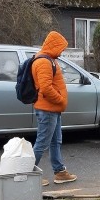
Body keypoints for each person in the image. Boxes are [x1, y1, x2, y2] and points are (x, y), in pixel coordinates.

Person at [32, 30, 77, 187]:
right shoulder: (43, 61)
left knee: (55, 141)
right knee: (42, 143)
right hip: (48, 109)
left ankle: (60, 172)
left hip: (53, 109)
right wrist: (60, 99)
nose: (62, 51)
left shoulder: (49, 59)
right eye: (61, 48)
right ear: (54, 46)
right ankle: (29, 175)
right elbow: (45, 87)